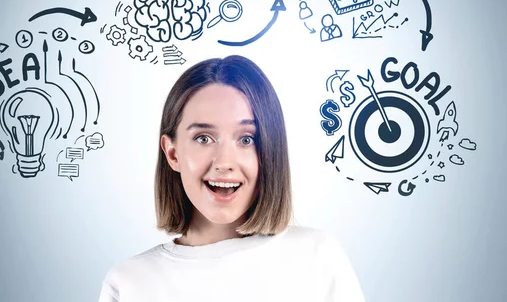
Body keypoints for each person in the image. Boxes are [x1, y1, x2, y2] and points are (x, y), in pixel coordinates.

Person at [98, 55, 365, 301]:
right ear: (173, 153)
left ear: (271, 151)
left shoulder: (317, 257)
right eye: (203, 138)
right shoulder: (130, 283)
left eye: (247, 139)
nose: (225, 162)